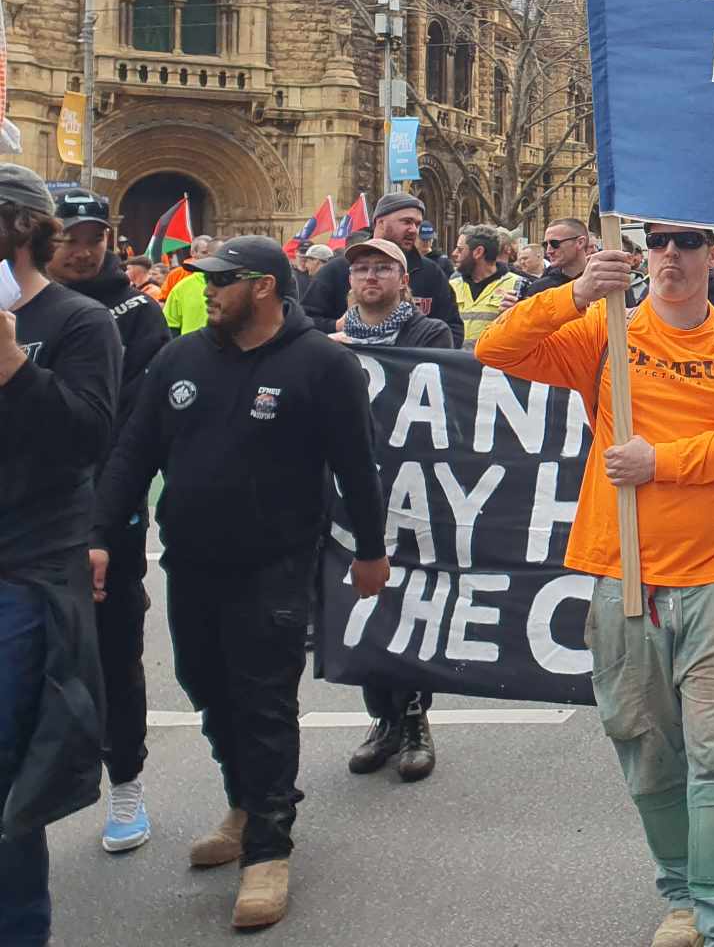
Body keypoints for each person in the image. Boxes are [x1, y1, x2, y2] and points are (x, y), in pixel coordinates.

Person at [477, 224, 714, 947]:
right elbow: (496, 349)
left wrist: (661, 461)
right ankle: (683, 895)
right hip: (626, 581)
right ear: (643, 255)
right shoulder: (605, 330)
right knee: (647, 752)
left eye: (688, 243)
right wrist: (573, 294)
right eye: (658, 244)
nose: (671, 255)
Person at [92, 237, 390, 931]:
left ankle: (268, 848)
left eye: (221, 281)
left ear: (262, 287)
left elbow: (357, 464)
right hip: (191, 558)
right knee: (205, 685)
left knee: (262, 698)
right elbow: (136, 448)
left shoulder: (323, 364)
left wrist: (371, 551)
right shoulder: (181, 355)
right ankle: (246, 799)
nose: (207, 291)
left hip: (276, 561)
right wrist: (101, 534)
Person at [0, 168, 121, 943]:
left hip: (22, 575)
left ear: (16, 226)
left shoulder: (78, 322)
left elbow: (87, 435)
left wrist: (14, 367)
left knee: (8, 784)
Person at [49, 190, 171, 854]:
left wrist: (101, 522)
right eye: (70, 233)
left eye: (94, 234)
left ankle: (125, 781)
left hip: (105, 514)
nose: (83, 246)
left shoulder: (136, 314)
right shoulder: (20, 303)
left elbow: (134, 429)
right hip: (26, 519)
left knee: (114, 651)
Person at [323, 237, 455, 785]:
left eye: (383, 268)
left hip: (415, 485)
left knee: (412, 601)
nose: (371, 277)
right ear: (350, 282)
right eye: (361, 270)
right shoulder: (329, 339)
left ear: (404, 281)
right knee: (363, 603)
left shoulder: (428, 333)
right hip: (351, 487)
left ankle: (415, 718)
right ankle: (382, 717)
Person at [302, 194, 463, 345]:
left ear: (403, 280)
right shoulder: (336, 270)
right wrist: (336, 327)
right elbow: (305, 323)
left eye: (417, 224)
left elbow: (453, 329)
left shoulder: (431, 273)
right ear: (380, 223)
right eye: (406, 222)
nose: (414, 230)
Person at [448, 224, 520, 351]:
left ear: (478, 252)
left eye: (460, 249)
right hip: (457, 367)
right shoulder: (452, 285)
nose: (454, 254)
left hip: (492, 368)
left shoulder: (517, 286)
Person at [525, 218, 593, 296]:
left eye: (555, 243)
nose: (549, 251)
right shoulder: (539, 289)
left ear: (580, 242)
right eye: (546, 245)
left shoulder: (602, 280)